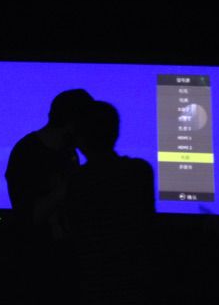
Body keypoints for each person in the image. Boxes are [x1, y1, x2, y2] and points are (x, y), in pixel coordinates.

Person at [0, 88, 93, 303]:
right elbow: (28, 216)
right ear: (72, 123)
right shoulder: (28, 152)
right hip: (37, 263)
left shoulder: (66, 152)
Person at [63, 100, 156, 305]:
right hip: (136, 277)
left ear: (80, 138)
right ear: (115, 132)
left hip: (91, 280)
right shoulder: (140, 171)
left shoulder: (77, 180)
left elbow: (73, 227)